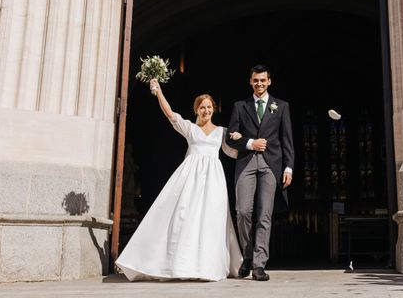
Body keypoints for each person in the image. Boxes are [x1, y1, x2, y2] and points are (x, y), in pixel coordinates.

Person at [115, 78, 242, 281]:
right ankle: (181, 264)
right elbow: (170, 114)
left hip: (213, 181)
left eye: (209, 107)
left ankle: (208, 266)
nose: (206, 110)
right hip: (190, 179)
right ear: (196, 110)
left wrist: (242, 141)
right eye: (202, 107)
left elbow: (234, 153)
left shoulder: (222, 132)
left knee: (211, 219)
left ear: (214, 109)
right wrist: (158, 91)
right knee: (185, 216)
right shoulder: (190, 128)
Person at [225, 65, 295, 281]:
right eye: (256, 80)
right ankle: (247, 256)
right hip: (246, 163)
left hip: (271, 165)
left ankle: (258, 265)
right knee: (243, 212)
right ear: (250, 82)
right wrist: (250, 143)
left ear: (269, 81)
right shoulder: (240, 106)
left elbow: (287, 139)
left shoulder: (281, 106)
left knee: (265, 215)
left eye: (263, 80)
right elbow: (230, 138)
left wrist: (288, 167)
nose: (259, 84)